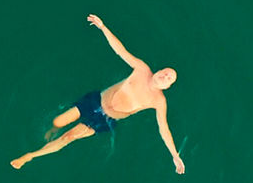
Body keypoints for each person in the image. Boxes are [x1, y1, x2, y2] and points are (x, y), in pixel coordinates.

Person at [10, 14, 184, 174]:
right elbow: (120, 50)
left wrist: (175, 156)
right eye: (166, 72)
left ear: (167, 86)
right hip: (94, 101)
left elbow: (164, 129)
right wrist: (103, 27)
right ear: (159, 70)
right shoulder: (142, 69)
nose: (165, 76)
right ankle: (52, 130)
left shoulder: (158, 101)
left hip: (105, 120)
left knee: (68, 137)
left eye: (169, 79)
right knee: (57, 122)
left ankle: (30, 156)